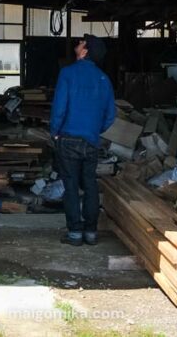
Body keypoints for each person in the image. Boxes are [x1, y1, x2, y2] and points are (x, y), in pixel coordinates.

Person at [50, 34, 116, 246]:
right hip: (91, 141)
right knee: (90, 185)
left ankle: (75, 234)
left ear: (85, 51)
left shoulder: (67, 73)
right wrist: (95, 130)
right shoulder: (104, 79)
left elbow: (59, 107)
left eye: (80, 43)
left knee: (70, 186)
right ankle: (91, 232)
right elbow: (110, 115)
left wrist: (55, 132)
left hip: (68, 139)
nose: (77, 44)